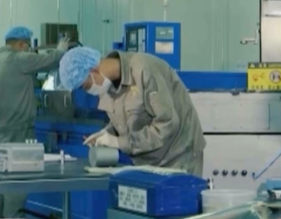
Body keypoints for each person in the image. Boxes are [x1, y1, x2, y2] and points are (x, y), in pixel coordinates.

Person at [57, 46, 205, 176]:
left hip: (178, 156)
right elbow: (124, 118)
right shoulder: (107, 86)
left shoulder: (144, 71)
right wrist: (108, 133)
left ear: (93, 70)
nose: (88, 90)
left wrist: (118, 142)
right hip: (149, 161)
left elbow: (167, 125)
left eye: (85, 86)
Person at [0, 26, 71, 213]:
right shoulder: (17, 59)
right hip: (19, 133)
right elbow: (50, 60)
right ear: (21, 44)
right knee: (16, 184)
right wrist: (61, 50)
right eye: (28, 47)